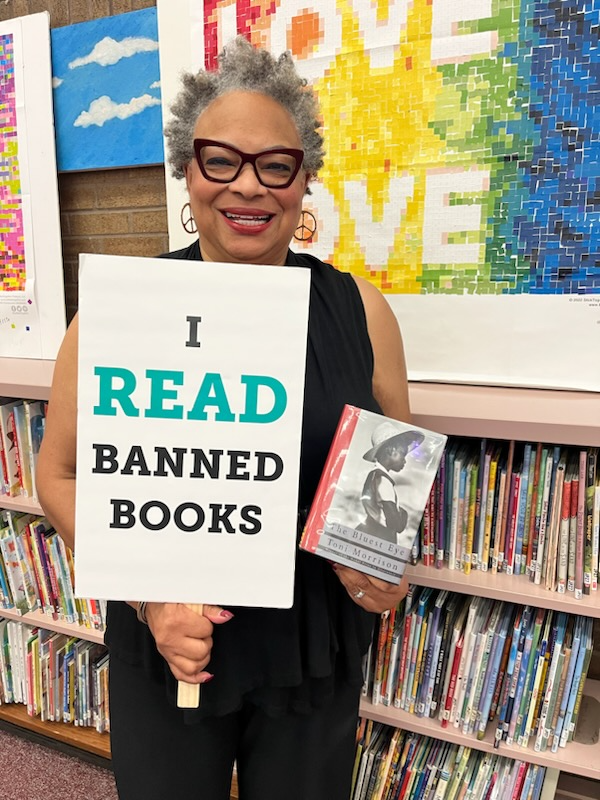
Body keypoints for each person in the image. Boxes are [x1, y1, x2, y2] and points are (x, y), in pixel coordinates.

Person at [36, 37, 412, 800]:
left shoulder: (359, 310)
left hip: (314, 649)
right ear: (186, 170)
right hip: (171, 642)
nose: (250, 186)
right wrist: (149, 599)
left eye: (277, 165)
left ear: (304, 180)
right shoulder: (119, 313)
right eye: (221, 161)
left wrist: (383, 567)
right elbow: (60, 475)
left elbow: (394, 466)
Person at [357, 423, 425, 544]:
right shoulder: (383, 481)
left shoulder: (373, 475)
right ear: (391, 450)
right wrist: (403, 513)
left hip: (371, 534)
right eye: (403, 453)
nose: (404, 460)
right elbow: (396, 525)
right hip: (381, 539)